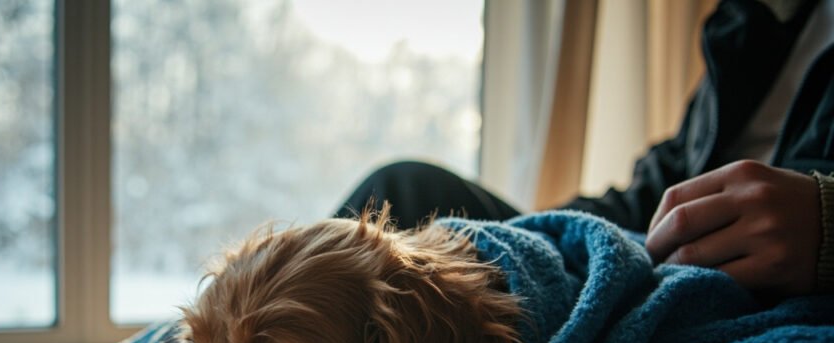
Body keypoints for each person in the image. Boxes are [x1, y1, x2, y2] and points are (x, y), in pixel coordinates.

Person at [338, 0, 834, 297]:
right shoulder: (758, 20)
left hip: (763, 294)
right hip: (655, 255)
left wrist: (827, 223)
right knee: (403, 189)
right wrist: (543, 237)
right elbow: (657, 188)